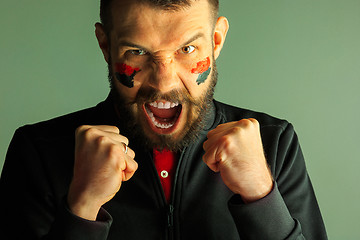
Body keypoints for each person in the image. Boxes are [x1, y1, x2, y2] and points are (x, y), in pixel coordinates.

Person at [0, 0, 327, 239]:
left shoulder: (274, 143)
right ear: (105, 46)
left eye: (187, 49)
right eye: (137, 52)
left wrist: (261, 197)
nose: (164, 82)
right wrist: (81, 209)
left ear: (215, 42)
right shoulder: (38, 152)